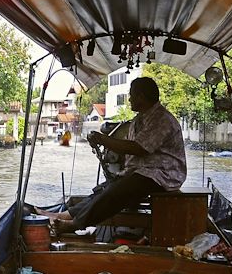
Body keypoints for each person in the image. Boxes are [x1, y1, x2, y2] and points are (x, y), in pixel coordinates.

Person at [46, 77, 186, 235]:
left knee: (119, 190)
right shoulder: (139, 120)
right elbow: (127, 146)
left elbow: (139, 148)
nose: (130, 99)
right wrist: (102, 144)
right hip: (143, 171)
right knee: (104, 189)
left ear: (141, 96)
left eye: (131, 95)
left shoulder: (161, 119)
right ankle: (64, 215)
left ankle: (75, 224)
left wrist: (103, 139)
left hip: (163, 174)